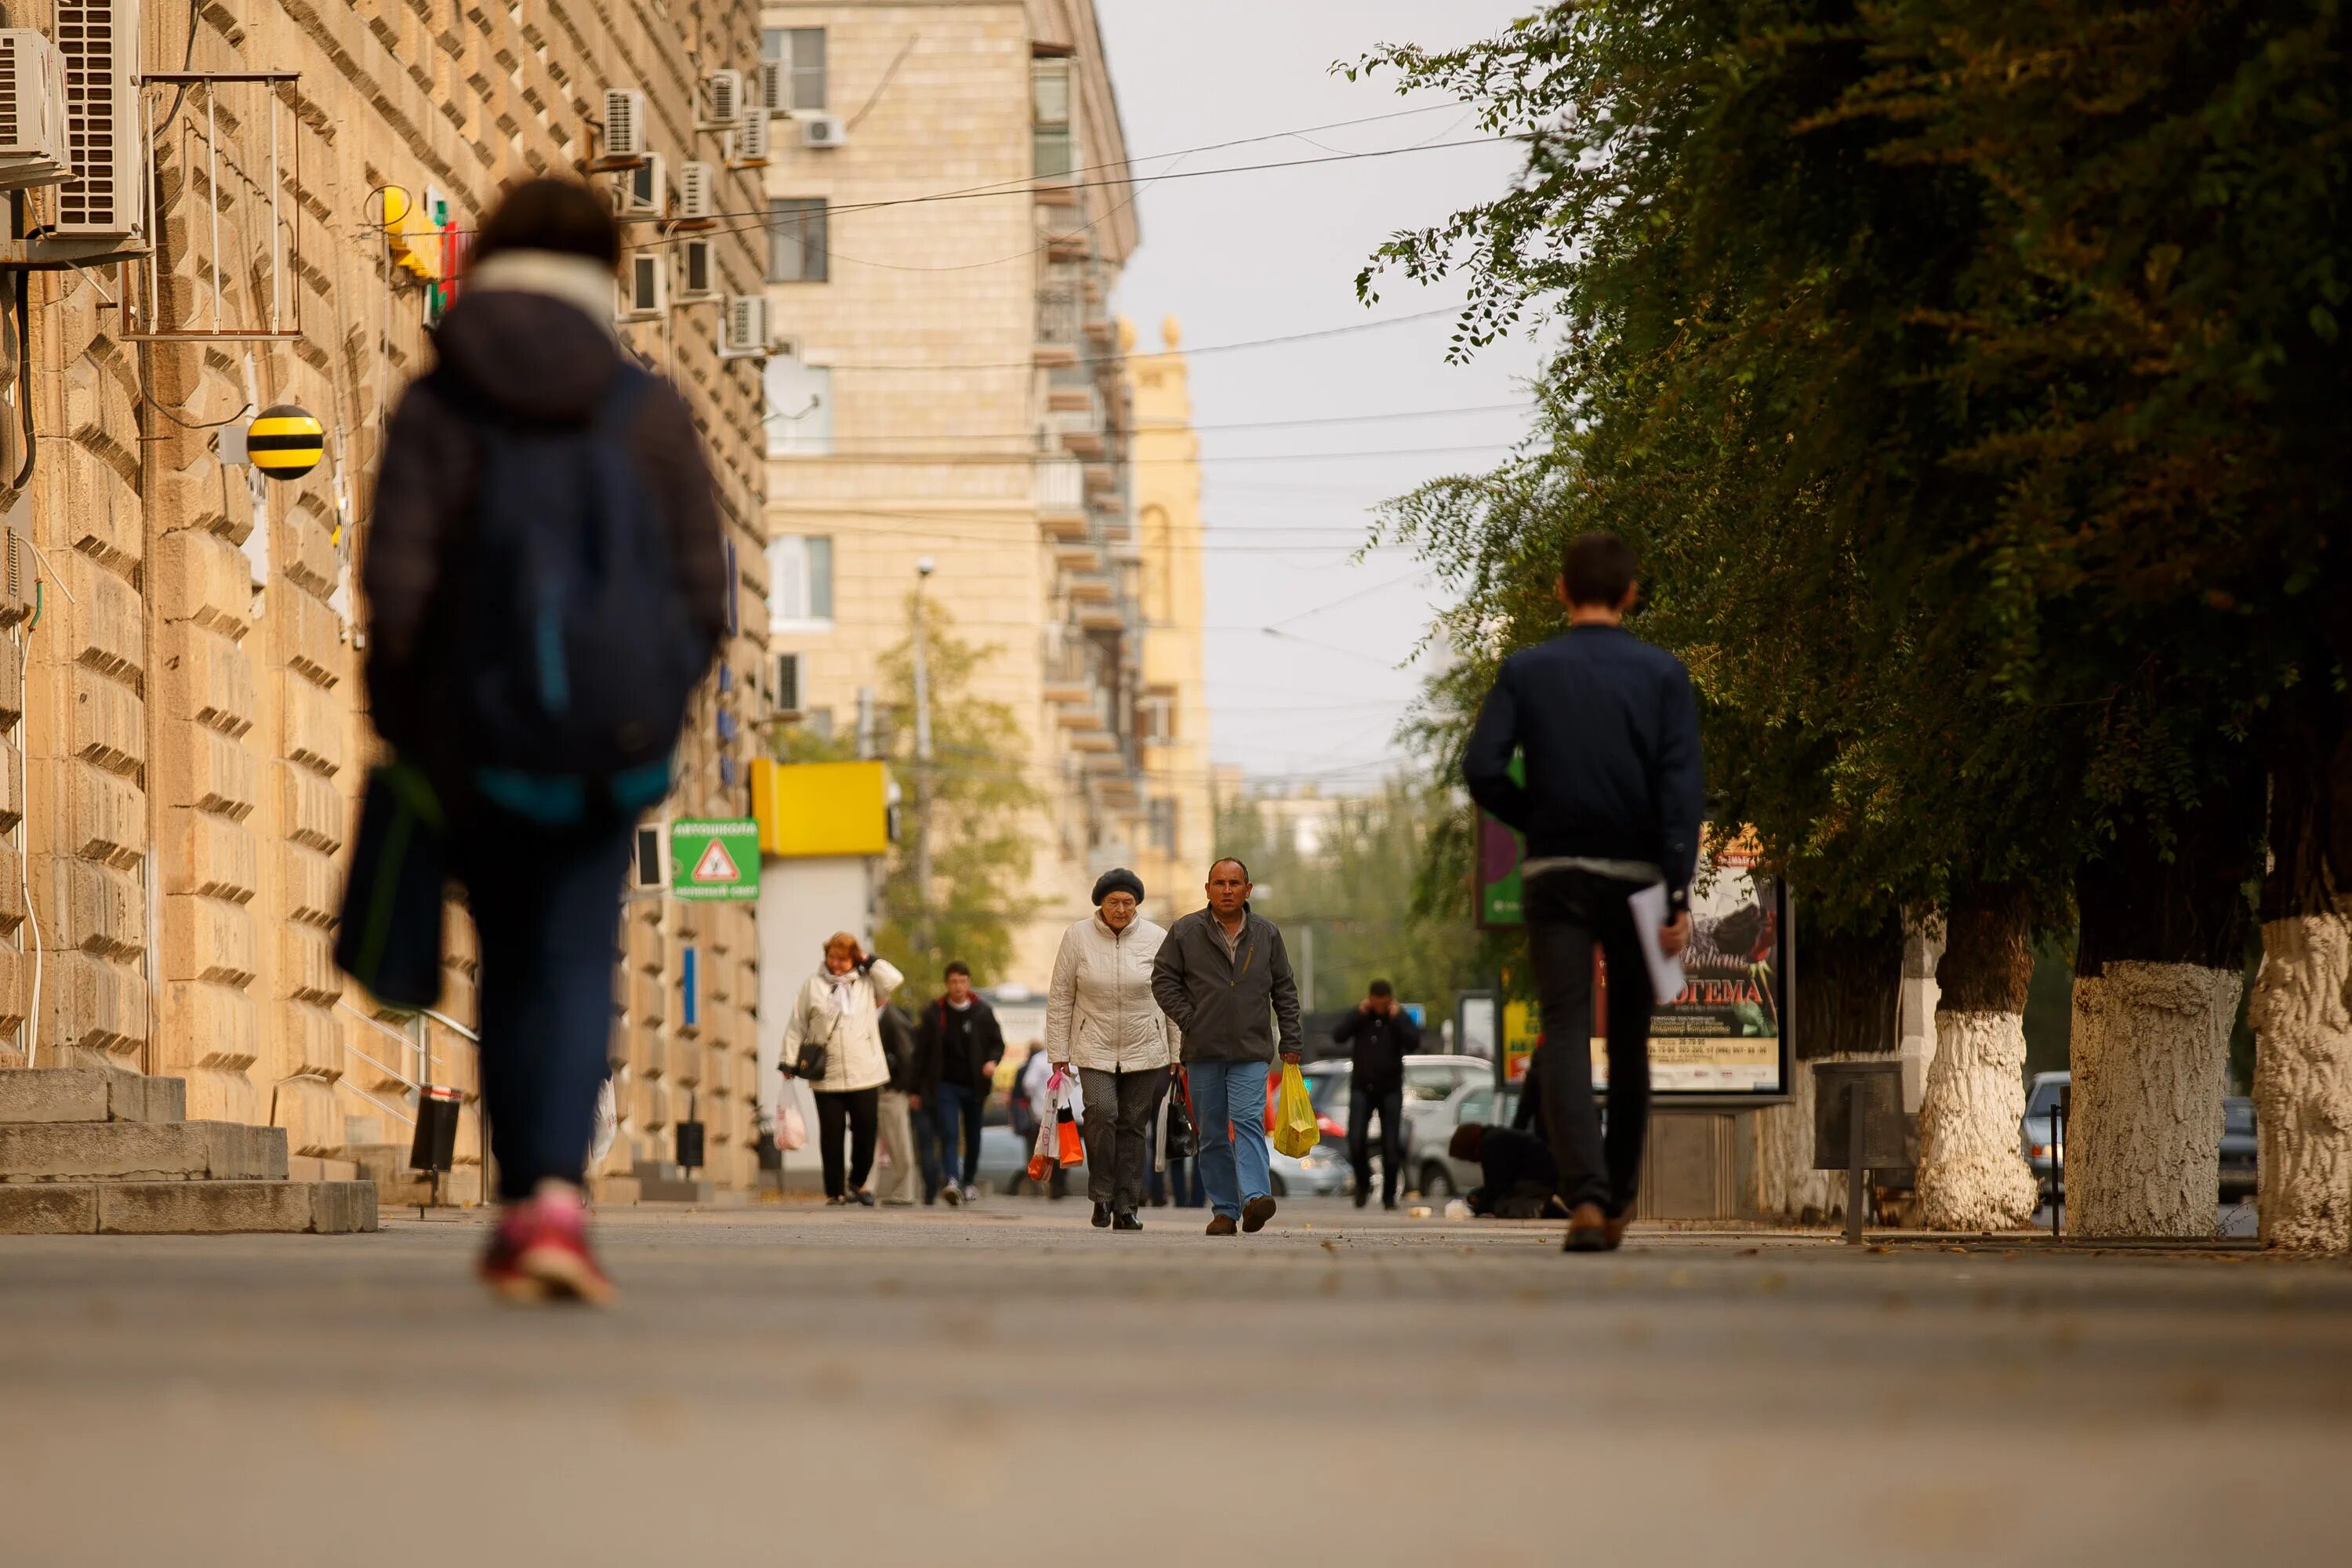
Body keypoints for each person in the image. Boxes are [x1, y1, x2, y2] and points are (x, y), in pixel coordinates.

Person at [364, 177, 726, 1304]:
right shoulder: (645, 409)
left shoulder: (439, 403)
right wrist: (651, 711)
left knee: (506, 959)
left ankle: (525, 1206)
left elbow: (399, 578)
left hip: (471, 735)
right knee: (571, 958)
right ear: (603, 277)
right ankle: (555, 1205)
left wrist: (406, 721)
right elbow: (702, 595)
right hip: (606, 741)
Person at [1464, 531, 1703, 1253]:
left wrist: (1535, 816)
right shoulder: (1663, 674)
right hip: (1636, 876)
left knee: (1566, 1028)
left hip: (1556, 873)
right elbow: (1680, 789)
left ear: (1562, 592)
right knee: (1629, 1038)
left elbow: (1481, 768)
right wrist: (1679, 889)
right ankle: (1618, 1196)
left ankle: (1586, 1197)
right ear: (1631, 594)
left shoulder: (1526, 670)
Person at [1150, 858, 1302, 1236]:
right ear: (1208, 890)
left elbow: (1284, 990)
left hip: (1251, 1050)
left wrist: (1291, 1040)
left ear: (1247, 890)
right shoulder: (1186, 932)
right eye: (1219, 883)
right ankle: (1224, 1210)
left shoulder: (1267, 934)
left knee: (1248, 1121)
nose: (1227, 890)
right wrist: (1190, 1018)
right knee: (1213, 1133)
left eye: (1235, 883)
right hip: (1202, 1051)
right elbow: (1162, 979)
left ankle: (1254, 1198)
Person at [1045, 868, 1176, 1232]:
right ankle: (1101, 1195)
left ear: (1138, 905)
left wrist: (1178, 1053)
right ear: (1100, 903)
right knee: (1102, 1112)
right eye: (1114, 902)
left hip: (1145, 1047)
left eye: (1128, 902)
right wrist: (1059, 1051)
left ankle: (1127, 1205)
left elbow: (1171, 998)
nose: (1121, 909)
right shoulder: (1077, 937)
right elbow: (1060, 997)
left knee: (1134, 1125)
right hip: (1093, 1045)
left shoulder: (1156, 938)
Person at [779, 933, 906, 1206]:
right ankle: (834, 1190)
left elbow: (895, 980)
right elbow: (797, 1024)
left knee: (866, 1131)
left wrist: (869, 960)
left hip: (866, 1071)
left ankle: (859, 1182)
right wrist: (788, 1061)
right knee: (832, 1134)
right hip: (827, 1074)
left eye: (843, 959)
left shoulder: (867, 983)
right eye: (832, 958)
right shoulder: (812, 986)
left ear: (853, 958)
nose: (836, 964)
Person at [915, 961, 1004, 1205]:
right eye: (954, 982)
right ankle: (952, 1181)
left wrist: (992, 1062)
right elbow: (921, 1052)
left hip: (975, 1085)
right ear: (947, 984)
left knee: (973, 1136)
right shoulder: (934, 1012)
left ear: (968, 982)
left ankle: (968, 1182)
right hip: (945, 1084)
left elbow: (998, 1043)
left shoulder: (982, 1012)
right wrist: (917, 1087)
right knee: (950, 1132)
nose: (958, 987)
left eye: (962, 982)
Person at [1331, 979, 1419, 1210]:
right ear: (1370, 999)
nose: (1379, 1007)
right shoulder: (1361, 1017)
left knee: (1391, 1145)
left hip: (1390, 1089)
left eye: (1384, 1003)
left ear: (1390, 1001)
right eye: (1375, 1002)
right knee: (1355, 1139)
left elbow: (1414, 1042)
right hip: (1362, 1087)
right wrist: (1357, 1014)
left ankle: (1389, 1196)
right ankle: (1363, 1184)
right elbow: (1338, 1035)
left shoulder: (1398, 1018)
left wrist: (1398, 1018)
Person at [1449, 1123, 1566, 1220]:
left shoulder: (1491, 1144)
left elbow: (1496, 1187)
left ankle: (1544, 1208)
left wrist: (1479, 1207)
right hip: (1542, 1176)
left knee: (1504, 1207)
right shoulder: (1495, 1136)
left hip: (1537, 1180)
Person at [874, 998, 924, 1205]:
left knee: (898, 1140)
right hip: (879, 1088)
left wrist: (902, 1086)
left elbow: (907, 1055)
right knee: (873, 1142)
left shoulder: (892, 1018)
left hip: (891, 1089)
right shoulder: (875, 1016)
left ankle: (904, 1192)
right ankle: (866, 1188)